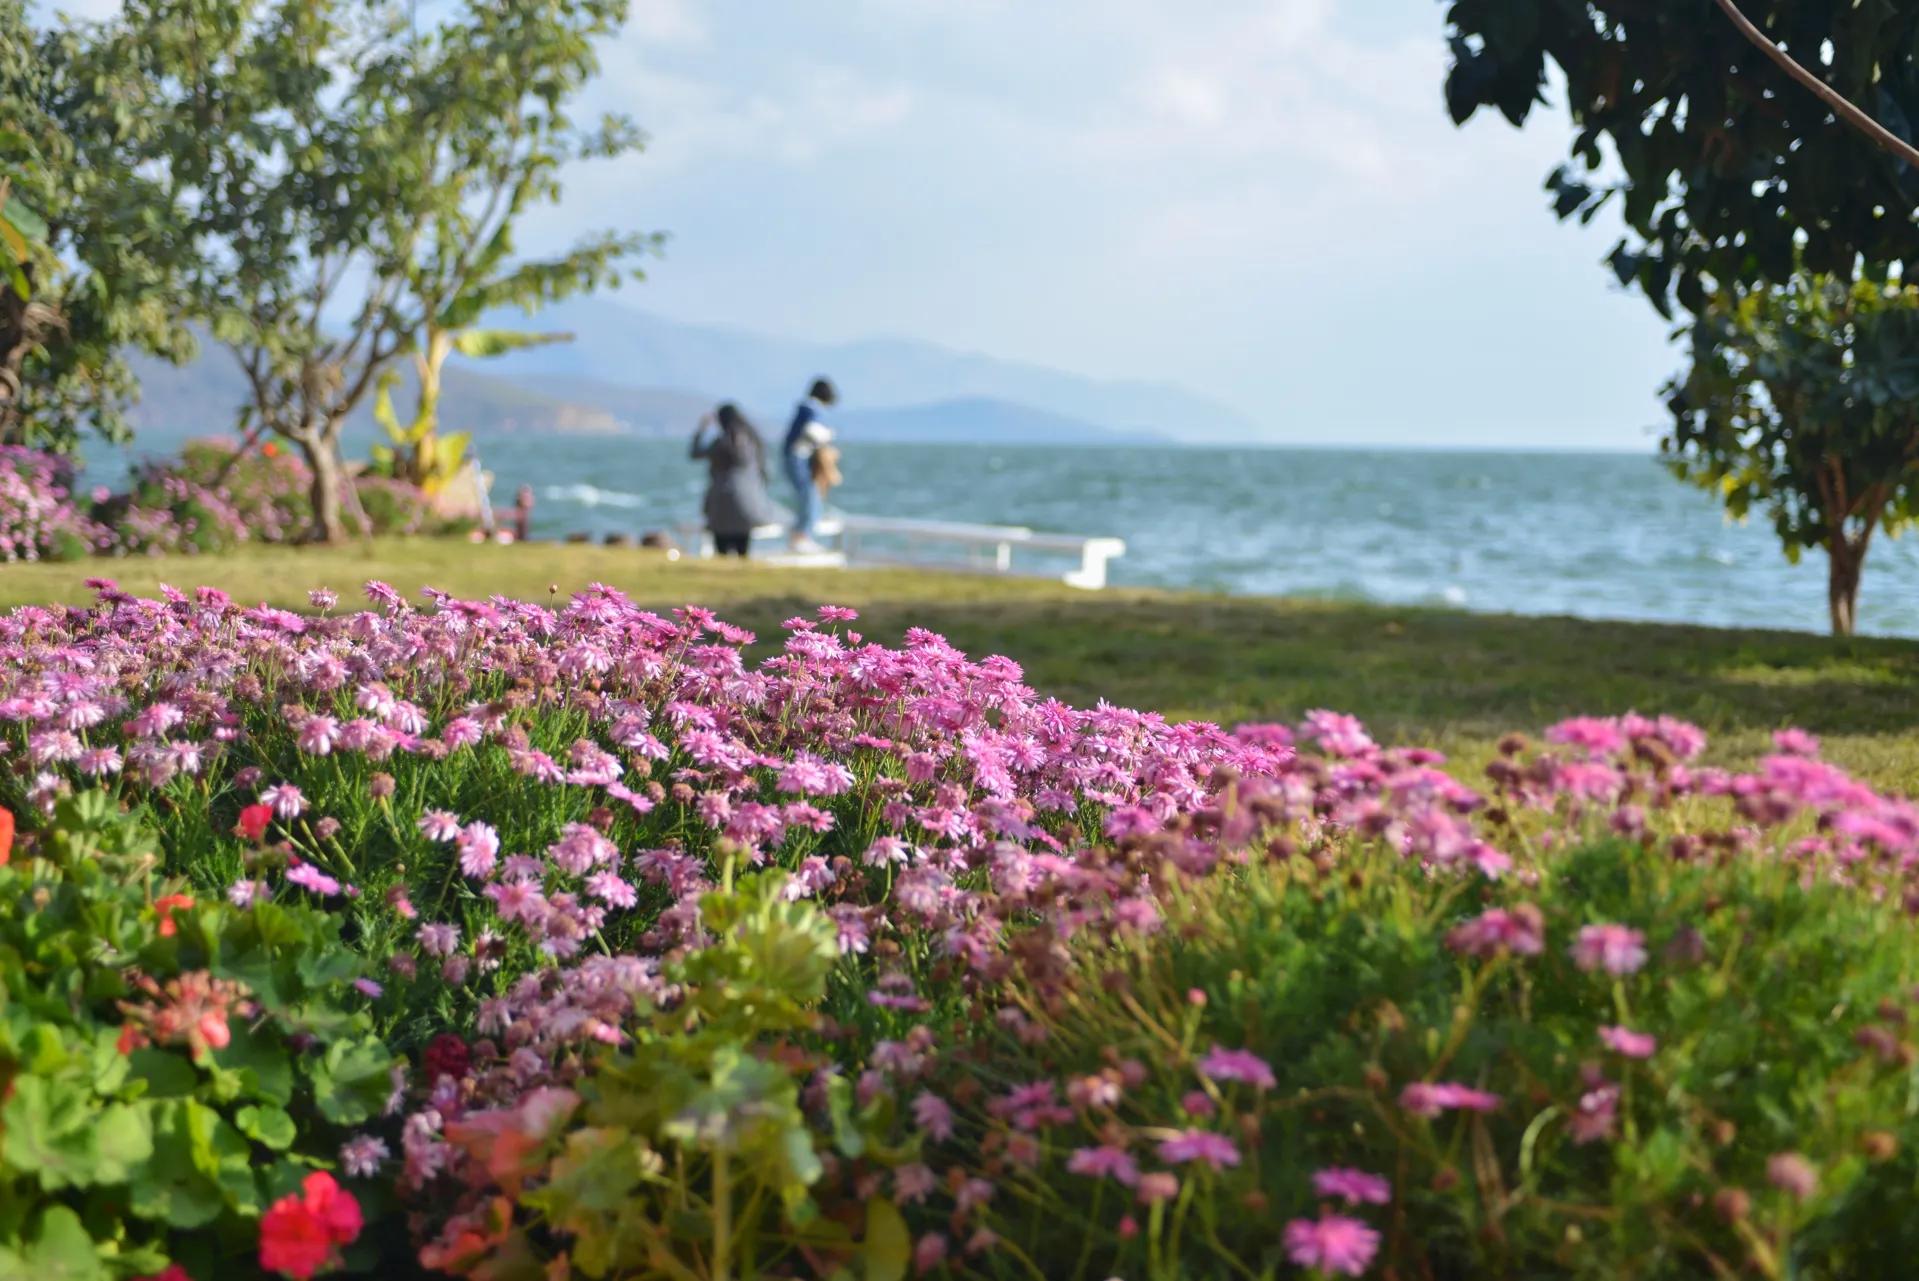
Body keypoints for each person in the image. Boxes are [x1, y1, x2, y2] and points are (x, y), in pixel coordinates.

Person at [691, 403, 781, 557]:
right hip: (748, 505)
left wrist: (702, 429)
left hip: (719, 506)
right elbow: (765, 473)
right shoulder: (753, 442)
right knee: (742, 550)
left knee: (722, 552)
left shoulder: (719, 444)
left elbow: (695, 453)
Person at [782, 377, 838, 552]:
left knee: (808, 495)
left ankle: (801, 536)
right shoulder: (811, 408)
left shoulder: (805, 407)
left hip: (797, 456)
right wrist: (828, 435)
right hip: (797, 457)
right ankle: (802, 537)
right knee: (809, 495)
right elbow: (811, 430)